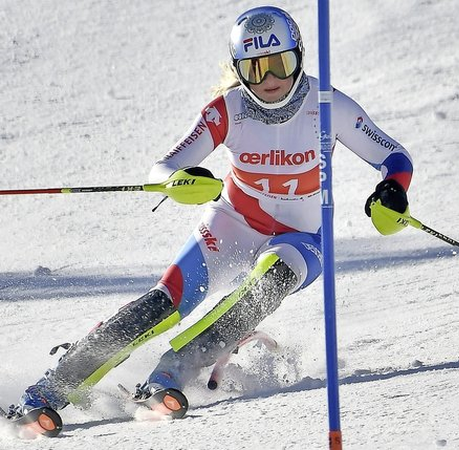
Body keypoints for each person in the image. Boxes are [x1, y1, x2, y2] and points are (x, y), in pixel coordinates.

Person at [9, 5, 413, 430]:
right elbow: (163, 168)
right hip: (233, 222)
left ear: (300, 57)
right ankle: (51, 388)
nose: (270, 79)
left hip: (302, 236)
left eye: (280, 64)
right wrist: (180, 179)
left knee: (270, 281)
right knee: (167, 301)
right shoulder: (228, 110)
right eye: (255, 69)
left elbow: (393, 156)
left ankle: (171, 372)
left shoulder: (329, 106)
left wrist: (392, 188)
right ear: (240, 70)